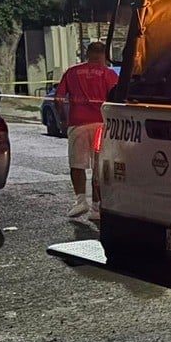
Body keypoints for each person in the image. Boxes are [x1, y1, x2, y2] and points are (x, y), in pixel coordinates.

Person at [55, 42, 119, 220]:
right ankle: (96, 208)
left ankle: (80, 200)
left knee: (77, 164)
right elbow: (118, 99)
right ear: (104, 55)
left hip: (78, 123)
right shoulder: (109, 74)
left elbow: (59, 98)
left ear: (87, 53)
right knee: (100, 167)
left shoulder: (72, 72)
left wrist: (62, 118)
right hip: (102, 124)